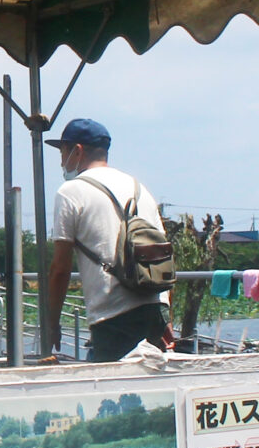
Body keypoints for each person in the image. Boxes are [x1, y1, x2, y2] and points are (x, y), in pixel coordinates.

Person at [38, 117, 173, 362]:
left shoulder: (70, 192)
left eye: (63, 151)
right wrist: (166, 314)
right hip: (156, 307)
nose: (61, 160)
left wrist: (52, 322)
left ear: (77, 151)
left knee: (113, 393)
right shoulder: (139, 188)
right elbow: (162, 254)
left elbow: (60, 268)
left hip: (113, 313)